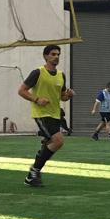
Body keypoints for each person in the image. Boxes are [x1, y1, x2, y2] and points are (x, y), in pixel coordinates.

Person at [18, 45, 75, 187]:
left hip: (55, 114)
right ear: (45, 56)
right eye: (53, 54)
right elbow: (22, 90)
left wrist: (68, 95)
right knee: (58, 141)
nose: (56, 57)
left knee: (51, 142)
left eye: (58, 54)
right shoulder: (37, 73)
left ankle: (32, 175)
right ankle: (34, 171)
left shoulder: (61, 75)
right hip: (41, 113)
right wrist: (37, 99)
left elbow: (62, 97)